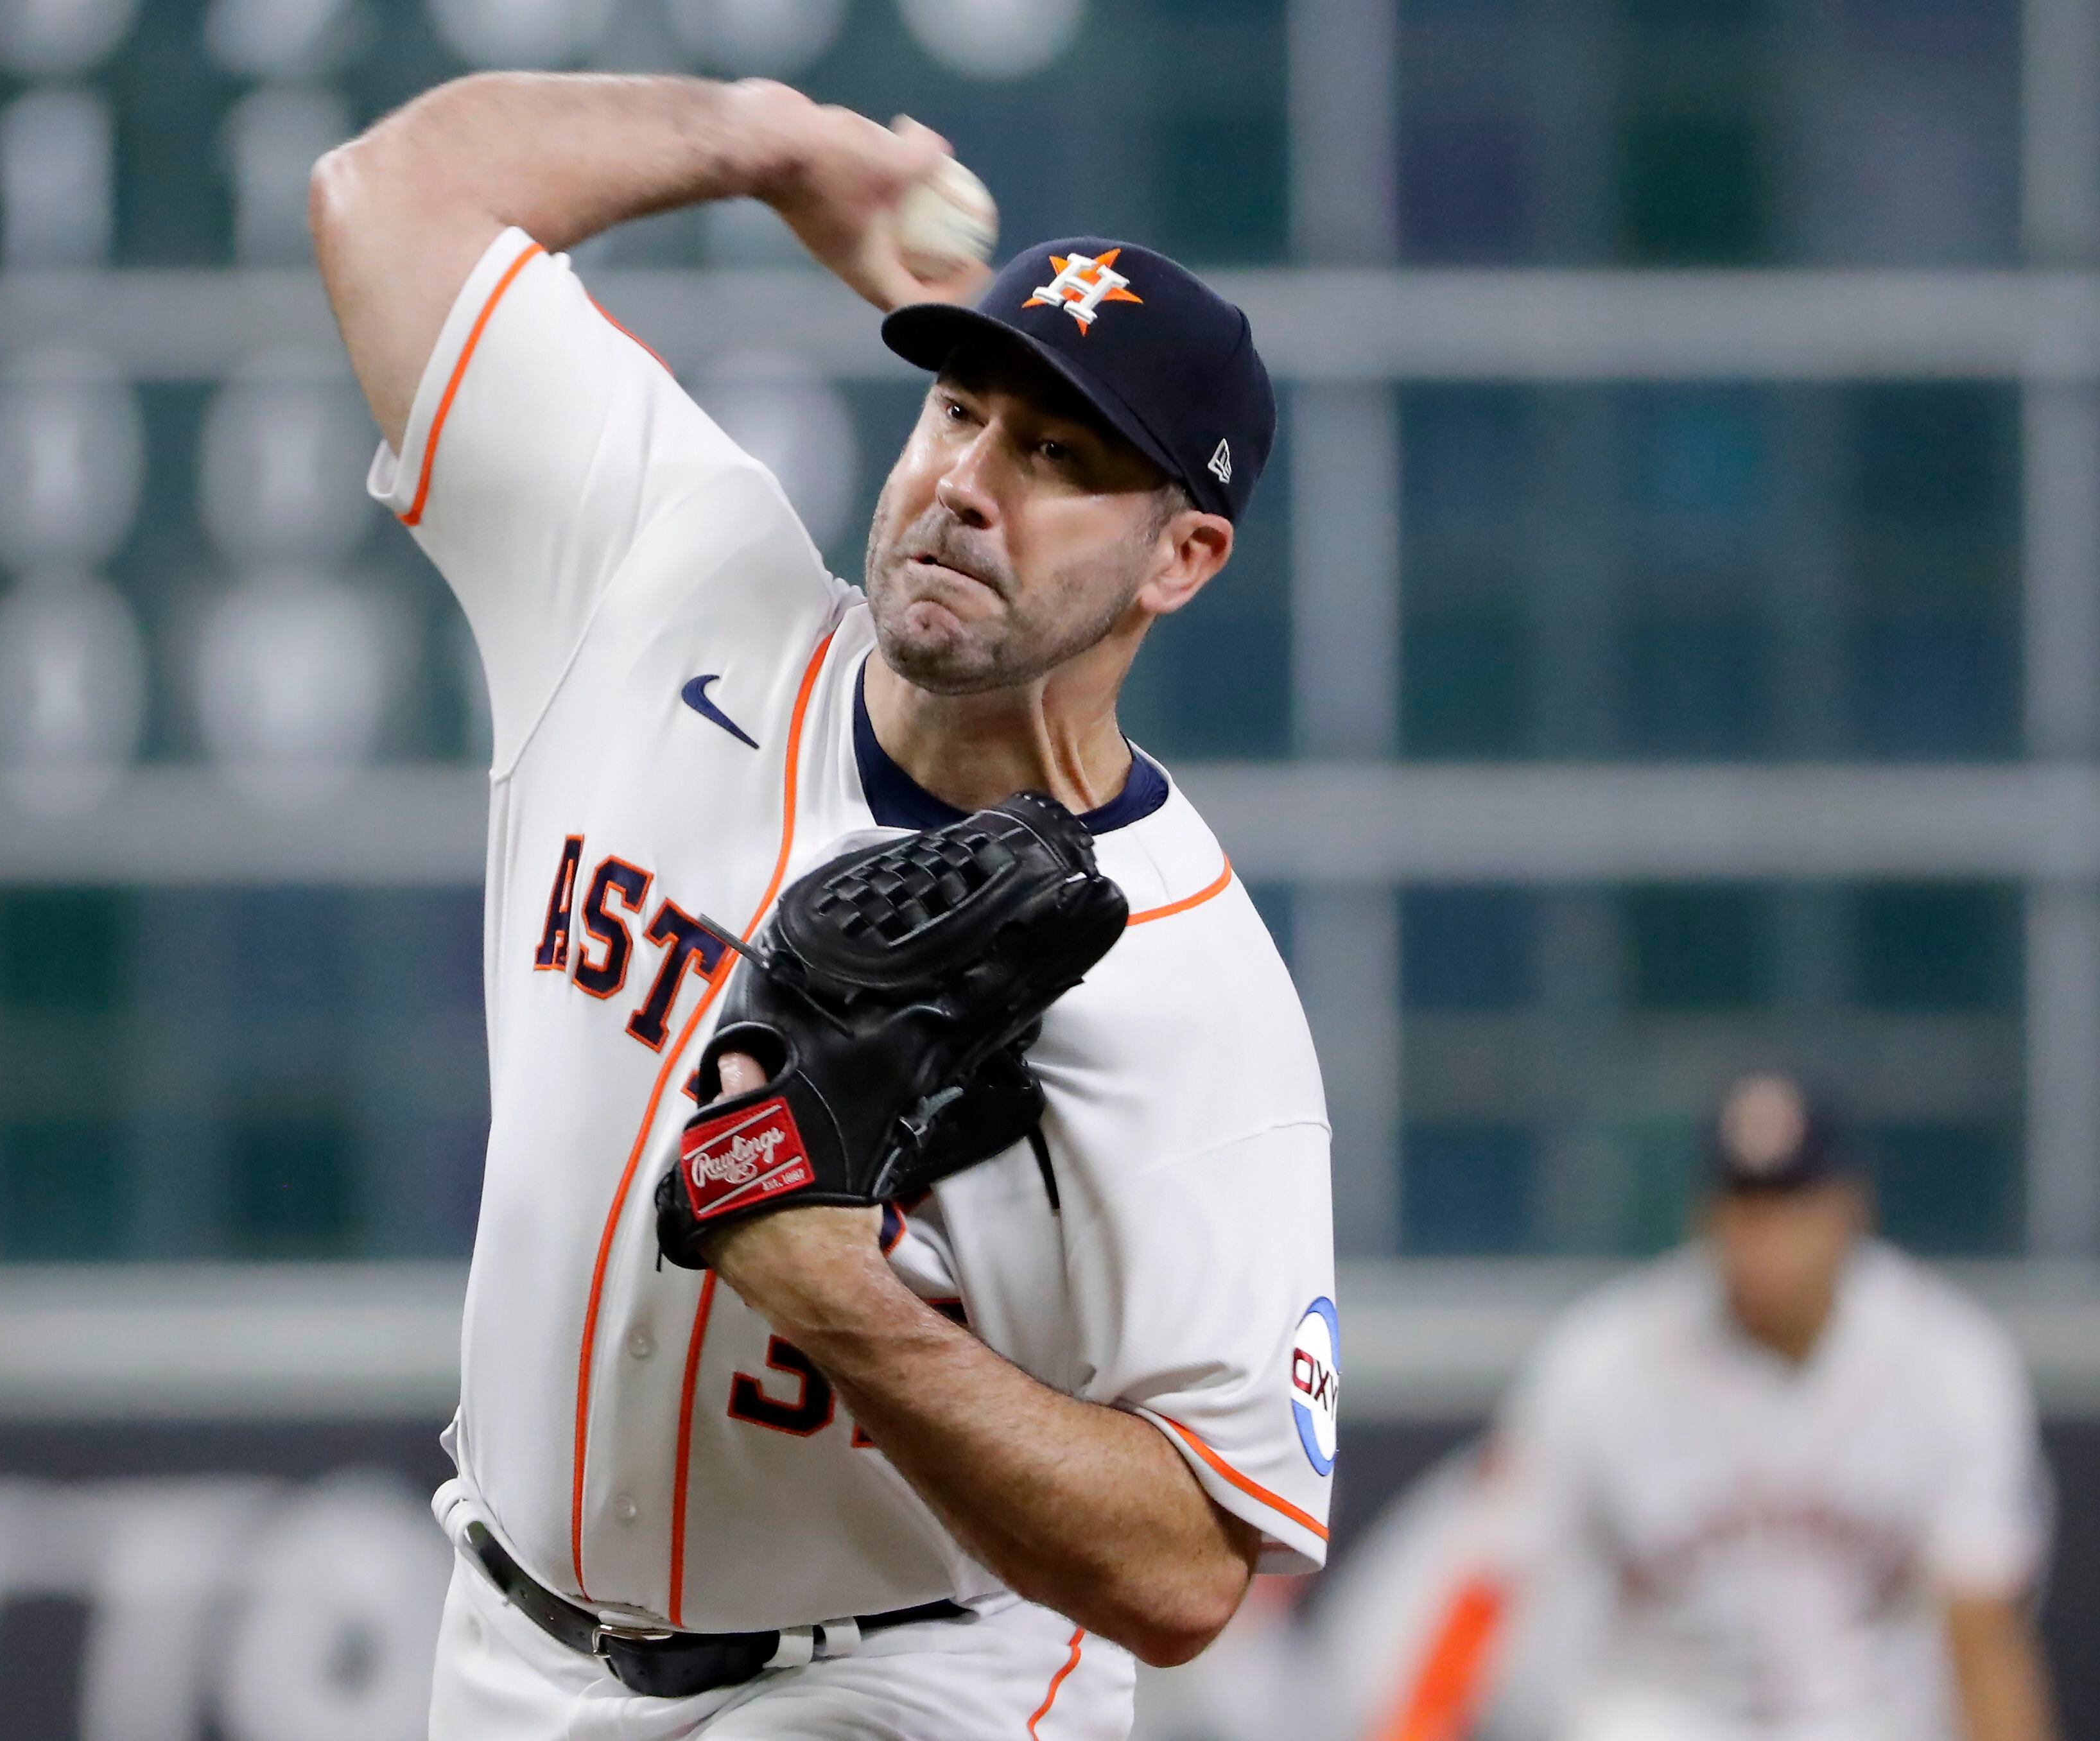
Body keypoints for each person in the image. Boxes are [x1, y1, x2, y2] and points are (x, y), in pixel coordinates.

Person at [308, 73, 1337, 1738]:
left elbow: (1187, 1571)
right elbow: (385, 197)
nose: (970, 484)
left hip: (902, 1674)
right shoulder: (666, 573)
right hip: (504, 1649)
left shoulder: (1187, 986)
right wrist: (760, 146)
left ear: (1181, 559)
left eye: (1060, 457)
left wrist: (840, 1300)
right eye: (961, 414)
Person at [1370, 1073, 2060, 1741]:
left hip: (1867, 1719)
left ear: (1851, 1208)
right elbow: (1493, 1581)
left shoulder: (1950, 1361)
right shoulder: (1604, 1359)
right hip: (1665, 1716)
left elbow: (1982, 1631)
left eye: (1793, 1202)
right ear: (1705, 1214)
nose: (1767, 1236)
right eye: (1745, 1204)